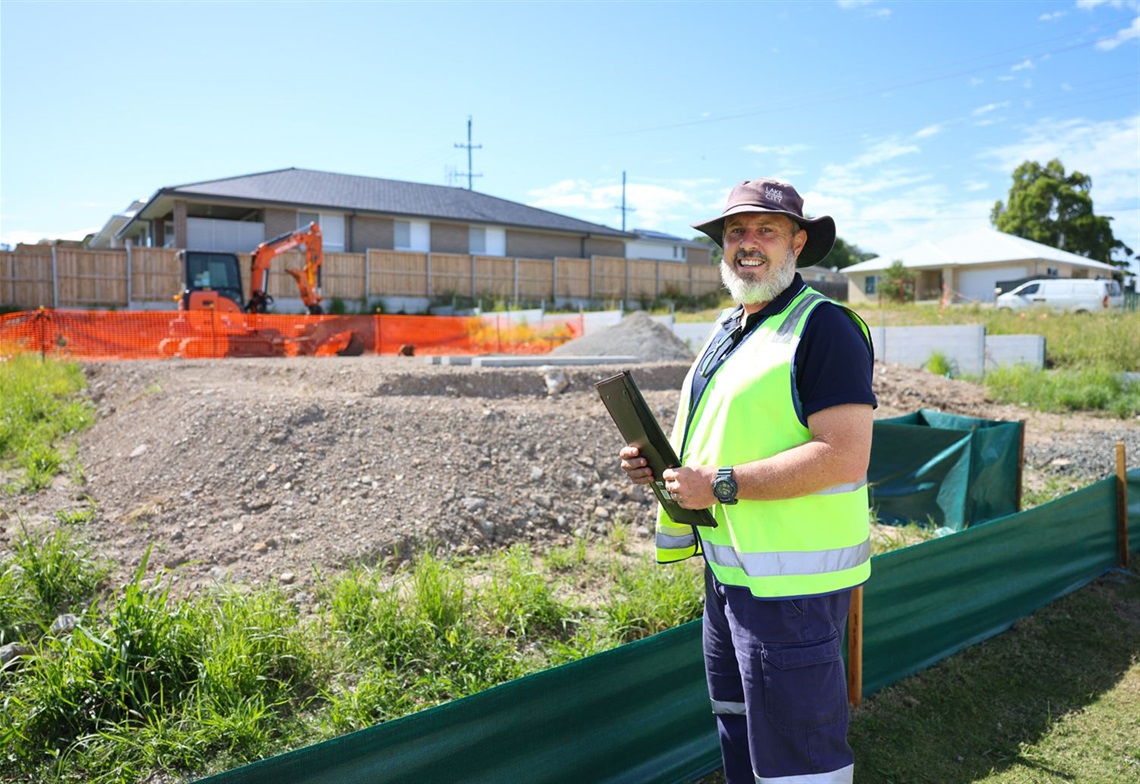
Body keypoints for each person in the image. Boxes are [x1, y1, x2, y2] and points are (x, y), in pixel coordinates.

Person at [618, 178, 875, 784]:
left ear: (798, 243)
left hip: (793, 590)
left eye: (767, 230)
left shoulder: (824, 328)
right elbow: (723, 432)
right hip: (731, 573)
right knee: (741, 728)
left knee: (799, 755)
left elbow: (843, 456)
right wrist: (661, 466)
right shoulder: (731, 327)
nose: (748, 243)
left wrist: (722, 485)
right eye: (736, 232)